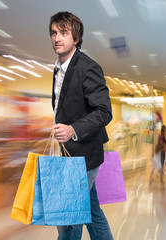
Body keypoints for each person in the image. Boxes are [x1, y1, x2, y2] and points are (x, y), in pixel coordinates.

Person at [49, 11, 113, 240]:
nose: (57, 38)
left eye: (64, 33)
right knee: (92, 212)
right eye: (54, 33)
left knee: (69, 219)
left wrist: (72, 129)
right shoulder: (59, 67)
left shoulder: (88, 67)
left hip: (85, 155)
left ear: (76, 38)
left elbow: (104, 111)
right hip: (69, 155)